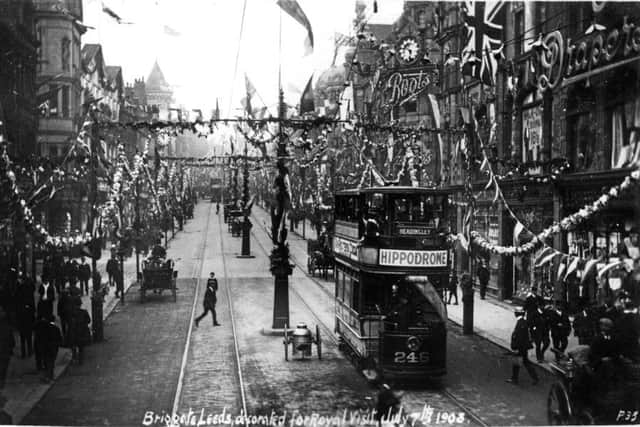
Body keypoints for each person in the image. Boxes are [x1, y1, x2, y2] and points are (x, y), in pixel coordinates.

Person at [507, 307, 539, 385]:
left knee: (517, 363)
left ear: (516, 314)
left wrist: (516, 347)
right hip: (523, 347)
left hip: (520, 347)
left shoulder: (520, 323)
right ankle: (534, 377)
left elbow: (519, 337)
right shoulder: (523, 322)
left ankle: (515, 379)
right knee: (524, 362)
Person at [39, 314, 62, 382]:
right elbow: (59, 338)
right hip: (54, 347)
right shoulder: (56, 328)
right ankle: (50, 375)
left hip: (46, 346)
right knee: (51, 361)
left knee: (46, 361)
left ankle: (48, 376)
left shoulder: (43, 328)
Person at [68, 298, 91, 365]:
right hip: (82, 332)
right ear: (80, 304)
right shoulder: (84, 312)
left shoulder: (71, 313)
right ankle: (80, 360)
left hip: (73, 331)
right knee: (81, 347)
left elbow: (69, 322)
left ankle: (74, 357)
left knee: (73, 345)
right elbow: (89, 320)